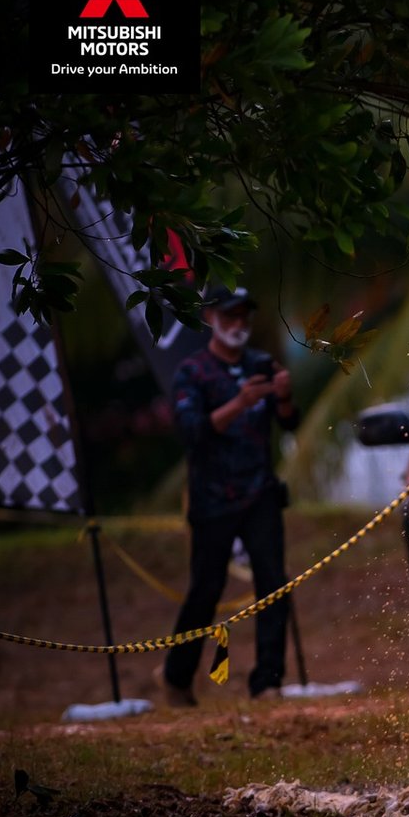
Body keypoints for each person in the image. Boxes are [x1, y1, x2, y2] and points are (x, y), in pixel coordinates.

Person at [157, 286, 299, 704]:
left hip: (261, 494)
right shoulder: (193, 373)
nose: (238, 324)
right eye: (230, 316)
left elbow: (289, 422)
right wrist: (240, 402)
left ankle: (268, 683)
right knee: (206, 590)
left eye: (244, 316)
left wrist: (284, 396)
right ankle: (177, 679)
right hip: (212, 500)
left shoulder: (261, 364)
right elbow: (192, 432)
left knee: (273, 585)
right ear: (211, 319)